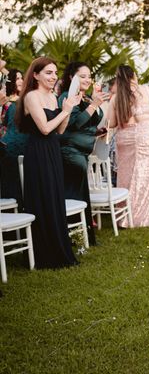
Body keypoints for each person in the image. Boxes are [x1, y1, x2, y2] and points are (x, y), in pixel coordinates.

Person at [15, 57, 81, 269]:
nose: (53, 77)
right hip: (38, 152)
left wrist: (67, 109)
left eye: (55, 73)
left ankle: (59, 249)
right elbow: (44, 129)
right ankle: (44, 254)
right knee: (43, 196)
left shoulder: (53, 97)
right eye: (48, 73)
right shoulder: (31, 97)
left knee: (54, 196)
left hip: (53, 150)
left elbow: (59, 130)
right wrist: (65, 110)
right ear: (35, 75)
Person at [58, 62, 109, 246]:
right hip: (70, 153)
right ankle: (73, 238)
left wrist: (97, 131)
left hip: (82, 152)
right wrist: (94, 104)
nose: (87, 79)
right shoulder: (67, 97)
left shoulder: (84, 98)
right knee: (74, 196)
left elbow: (86, 125)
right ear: (72, 77)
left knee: (80, 196)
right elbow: (73, 124)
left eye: (89, 76)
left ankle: (82, 237)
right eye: (82, 76)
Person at [108, 65, 149, 228]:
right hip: (147, 136)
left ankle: (125, 216)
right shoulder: (148, 91)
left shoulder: (117, 97)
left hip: (125, 138)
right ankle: (146, 217)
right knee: (146, 176)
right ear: (134, 76)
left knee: (126, 176)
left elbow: (111, 123)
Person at [0, 69, 28, 206]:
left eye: (22, 77)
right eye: (17, 78)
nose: (21, 81)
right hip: (11, 146)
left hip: (25, 144)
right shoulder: (6, 101)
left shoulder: (27, 99)